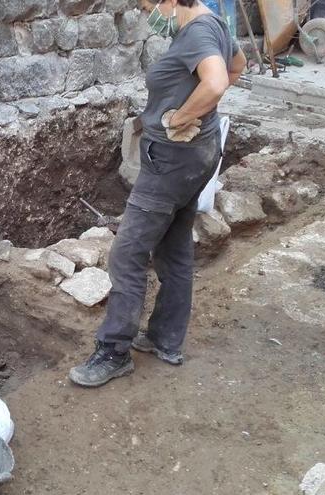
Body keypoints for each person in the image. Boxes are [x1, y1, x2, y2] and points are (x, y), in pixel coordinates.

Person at [69, 0, 246, 387]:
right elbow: (238, 67)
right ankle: (166, 339)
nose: (145, 10)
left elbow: (217, 81)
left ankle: (114, 351)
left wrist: (182, 116)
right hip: (199, 153)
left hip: (172, 160)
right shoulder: (212, 22)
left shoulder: (197, 32)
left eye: (148, 4)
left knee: (127, 253)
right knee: (174, 246)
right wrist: (201, 112)